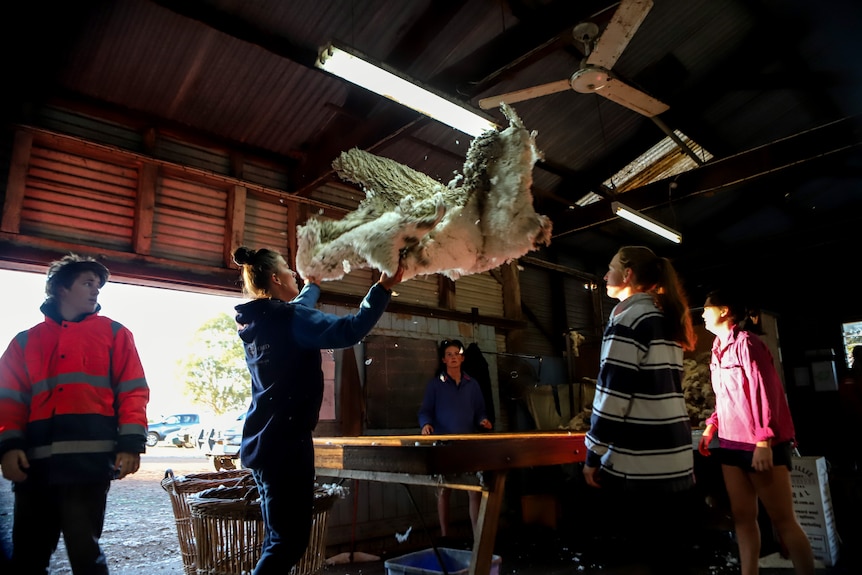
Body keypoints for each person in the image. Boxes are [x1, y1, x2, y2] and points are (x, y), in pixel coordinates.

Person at [232, 246, 403, 575]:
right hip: (287, 445)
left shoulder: (260, 321)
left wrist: (311, 285)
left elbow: (297, 309)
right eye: (288, 270)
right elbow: (352, 329)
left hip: (263, 442)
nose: (293, 274)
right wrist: (382, 287)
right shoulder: (291, 319)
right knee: (288, 544)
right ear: (276, 278)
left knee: (278, 539)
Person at [0, 253, 150, 575]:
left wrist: (131, 443)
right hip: (34, 468)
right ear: (60, 289)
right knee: (28, 555)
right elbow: (8, 401)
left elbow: (133, 391)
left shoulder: (115, 334)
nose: (96, 290)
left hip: (89, 467)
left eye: (98, 285)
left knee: (86, 555)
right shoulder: (24, 342)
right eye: (87, 283)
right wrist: (9, 447)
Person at [583, 246, 697, 575]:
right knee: (669, 559)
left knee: (636, 561)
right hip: (675, 460)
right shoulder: (664, 317)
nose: (606, 276)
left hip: (641, 467)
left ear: (628, 274)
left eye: (611, 267)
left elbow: (613, 395)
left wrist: (594, 453)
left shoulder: (628, 319)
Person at [698, 288, 814, 575]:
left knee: (783, 520)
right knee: (742, 517)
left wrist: (764, 439)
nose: (701, 313)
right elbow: (725, 395)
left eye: (706, 308)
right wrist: (712, 424)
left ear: (724, 310)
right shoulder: (716, 348)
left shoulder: (748, 344)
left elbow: (766, 392)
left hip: (762, 443)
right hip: (731, 444)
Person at [418, 339, 492, 539]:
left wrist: (483, 420)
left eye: (456, 354)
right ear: (443, 359)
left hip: (468, 445)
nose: (453, 358)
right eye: (449, 354)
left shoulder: (472, 384)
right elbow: (425, 411)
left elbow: (480, 411)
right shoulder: (435, 385)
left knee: (474, 490)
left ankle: (478, 537)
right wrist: (425, 424)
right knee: (444, 491)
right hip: (444, 445)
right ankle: (445, 536)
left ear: (462, 358)